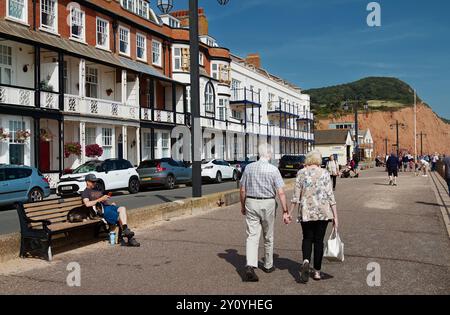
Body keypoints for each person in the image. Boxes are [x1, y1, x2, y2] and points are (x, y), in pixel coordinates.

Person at [285, 150, 338, 282]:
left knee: (307, 238)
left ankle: (306, 261)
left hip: (306, 212)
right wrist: (335, 216)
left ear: (308, 159)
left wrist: (289, 213)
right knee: (319, 241)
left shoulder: (301, 173)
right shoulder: (324, 173)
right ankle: (317, 272)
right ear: (319, 160)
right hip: (322, 212)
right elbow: (330, 195)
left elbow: (296, 196)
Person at [240, 144, 289, 282]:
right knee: (268, 235)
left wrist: (243, 205)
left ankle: (250, 264)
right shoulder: (273, 170)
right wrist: (285, 210)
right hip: (268, 203)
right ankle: (268, 265)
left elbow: (242, 190)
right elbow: (281, 192)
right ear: (269, 154)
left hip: (251, 202)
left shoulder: (248, 168)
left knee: (252, 235)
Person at [82, 174, 140, 247]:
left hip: (108, 206)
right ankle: (130, 238)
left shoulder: (96, 189)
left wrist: (109, 202)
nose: (95, 183)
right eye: (93, 182)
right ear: (87, 182)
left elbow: (103, 200)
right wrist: (101, 199)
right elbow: (87, 204)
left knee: (122, 208)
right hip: (102, 210)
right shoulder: (85, 192)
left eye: (95, 182)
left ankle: (125, 230)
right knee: (120, 218)